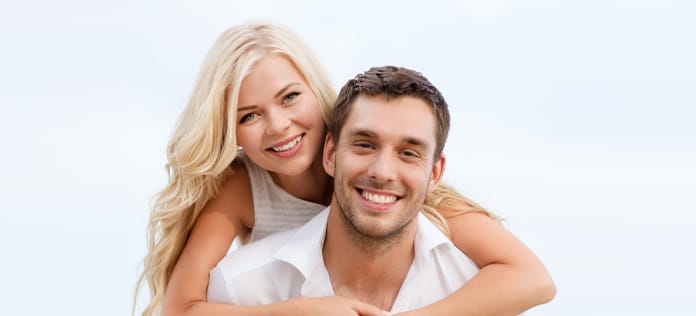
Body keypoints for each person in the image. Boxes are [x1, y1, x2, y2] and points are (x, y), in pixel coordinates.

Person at [135, 21, 555, 316]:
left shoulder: (396, 184)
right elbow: (180, 308)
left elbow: (533, 279)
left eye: (289, 98)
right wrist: (301, 311)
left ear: (318, 94)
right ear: (232, 135)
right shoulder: (244, 189)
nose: (279, 126)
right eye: (248, 116)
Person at [209, 65, 483, 313]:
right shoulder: (239, 290)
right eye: (364, 144)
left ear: (435, 173)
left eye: (408, 153)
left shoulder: (473, 288)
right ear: (330, 153)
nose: (382, 172)